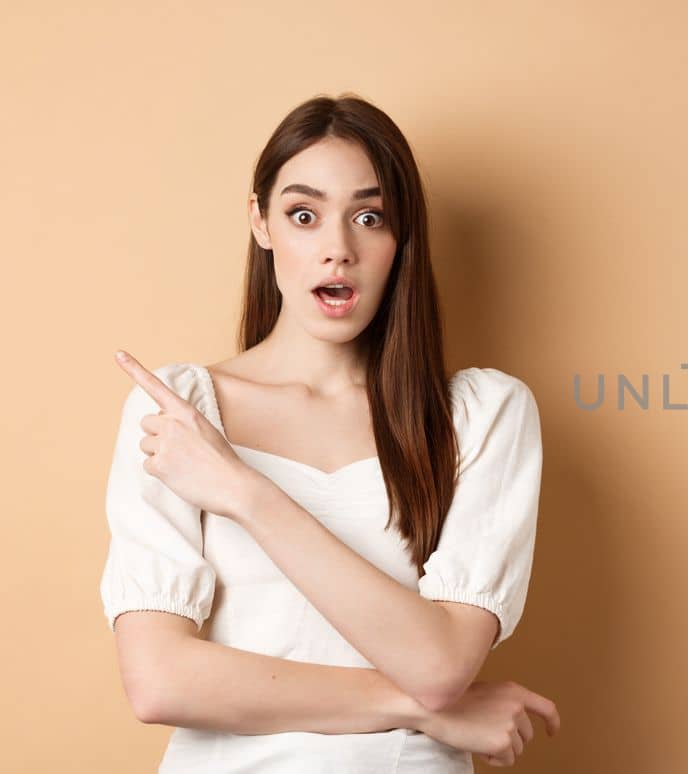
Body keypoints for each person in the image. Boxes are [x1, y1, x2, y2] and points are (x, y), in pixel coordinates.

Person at [98, 94, 560, 772]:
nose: (337, 250)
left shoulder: (480, 416)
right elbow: (160, 680)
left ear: (401, 238)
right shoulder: (181, 412)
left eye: (368, 218)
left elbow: (437, 664)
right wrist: (419, 707)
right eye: (304, 215)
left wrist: (244, 491)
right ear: (261, 224)